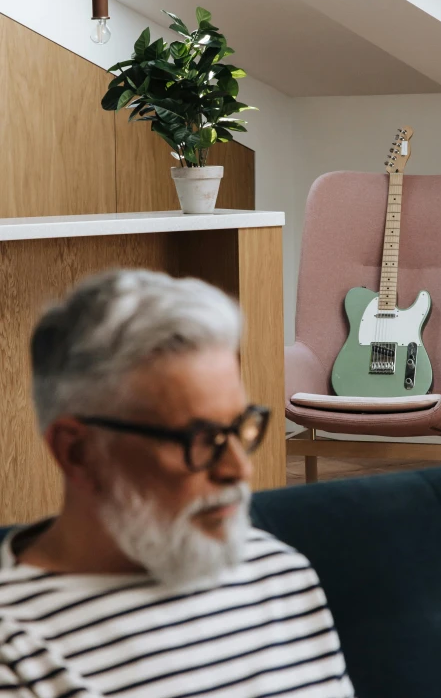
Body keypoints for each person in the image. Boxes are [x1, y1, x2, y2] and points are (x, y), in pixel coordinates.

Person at [0, 269, 353, 697]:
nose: (239, 469)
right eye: (200, 440)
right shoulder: (16, 650)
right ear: (77, 451)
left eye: (240, 427)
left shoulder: (279, 574)